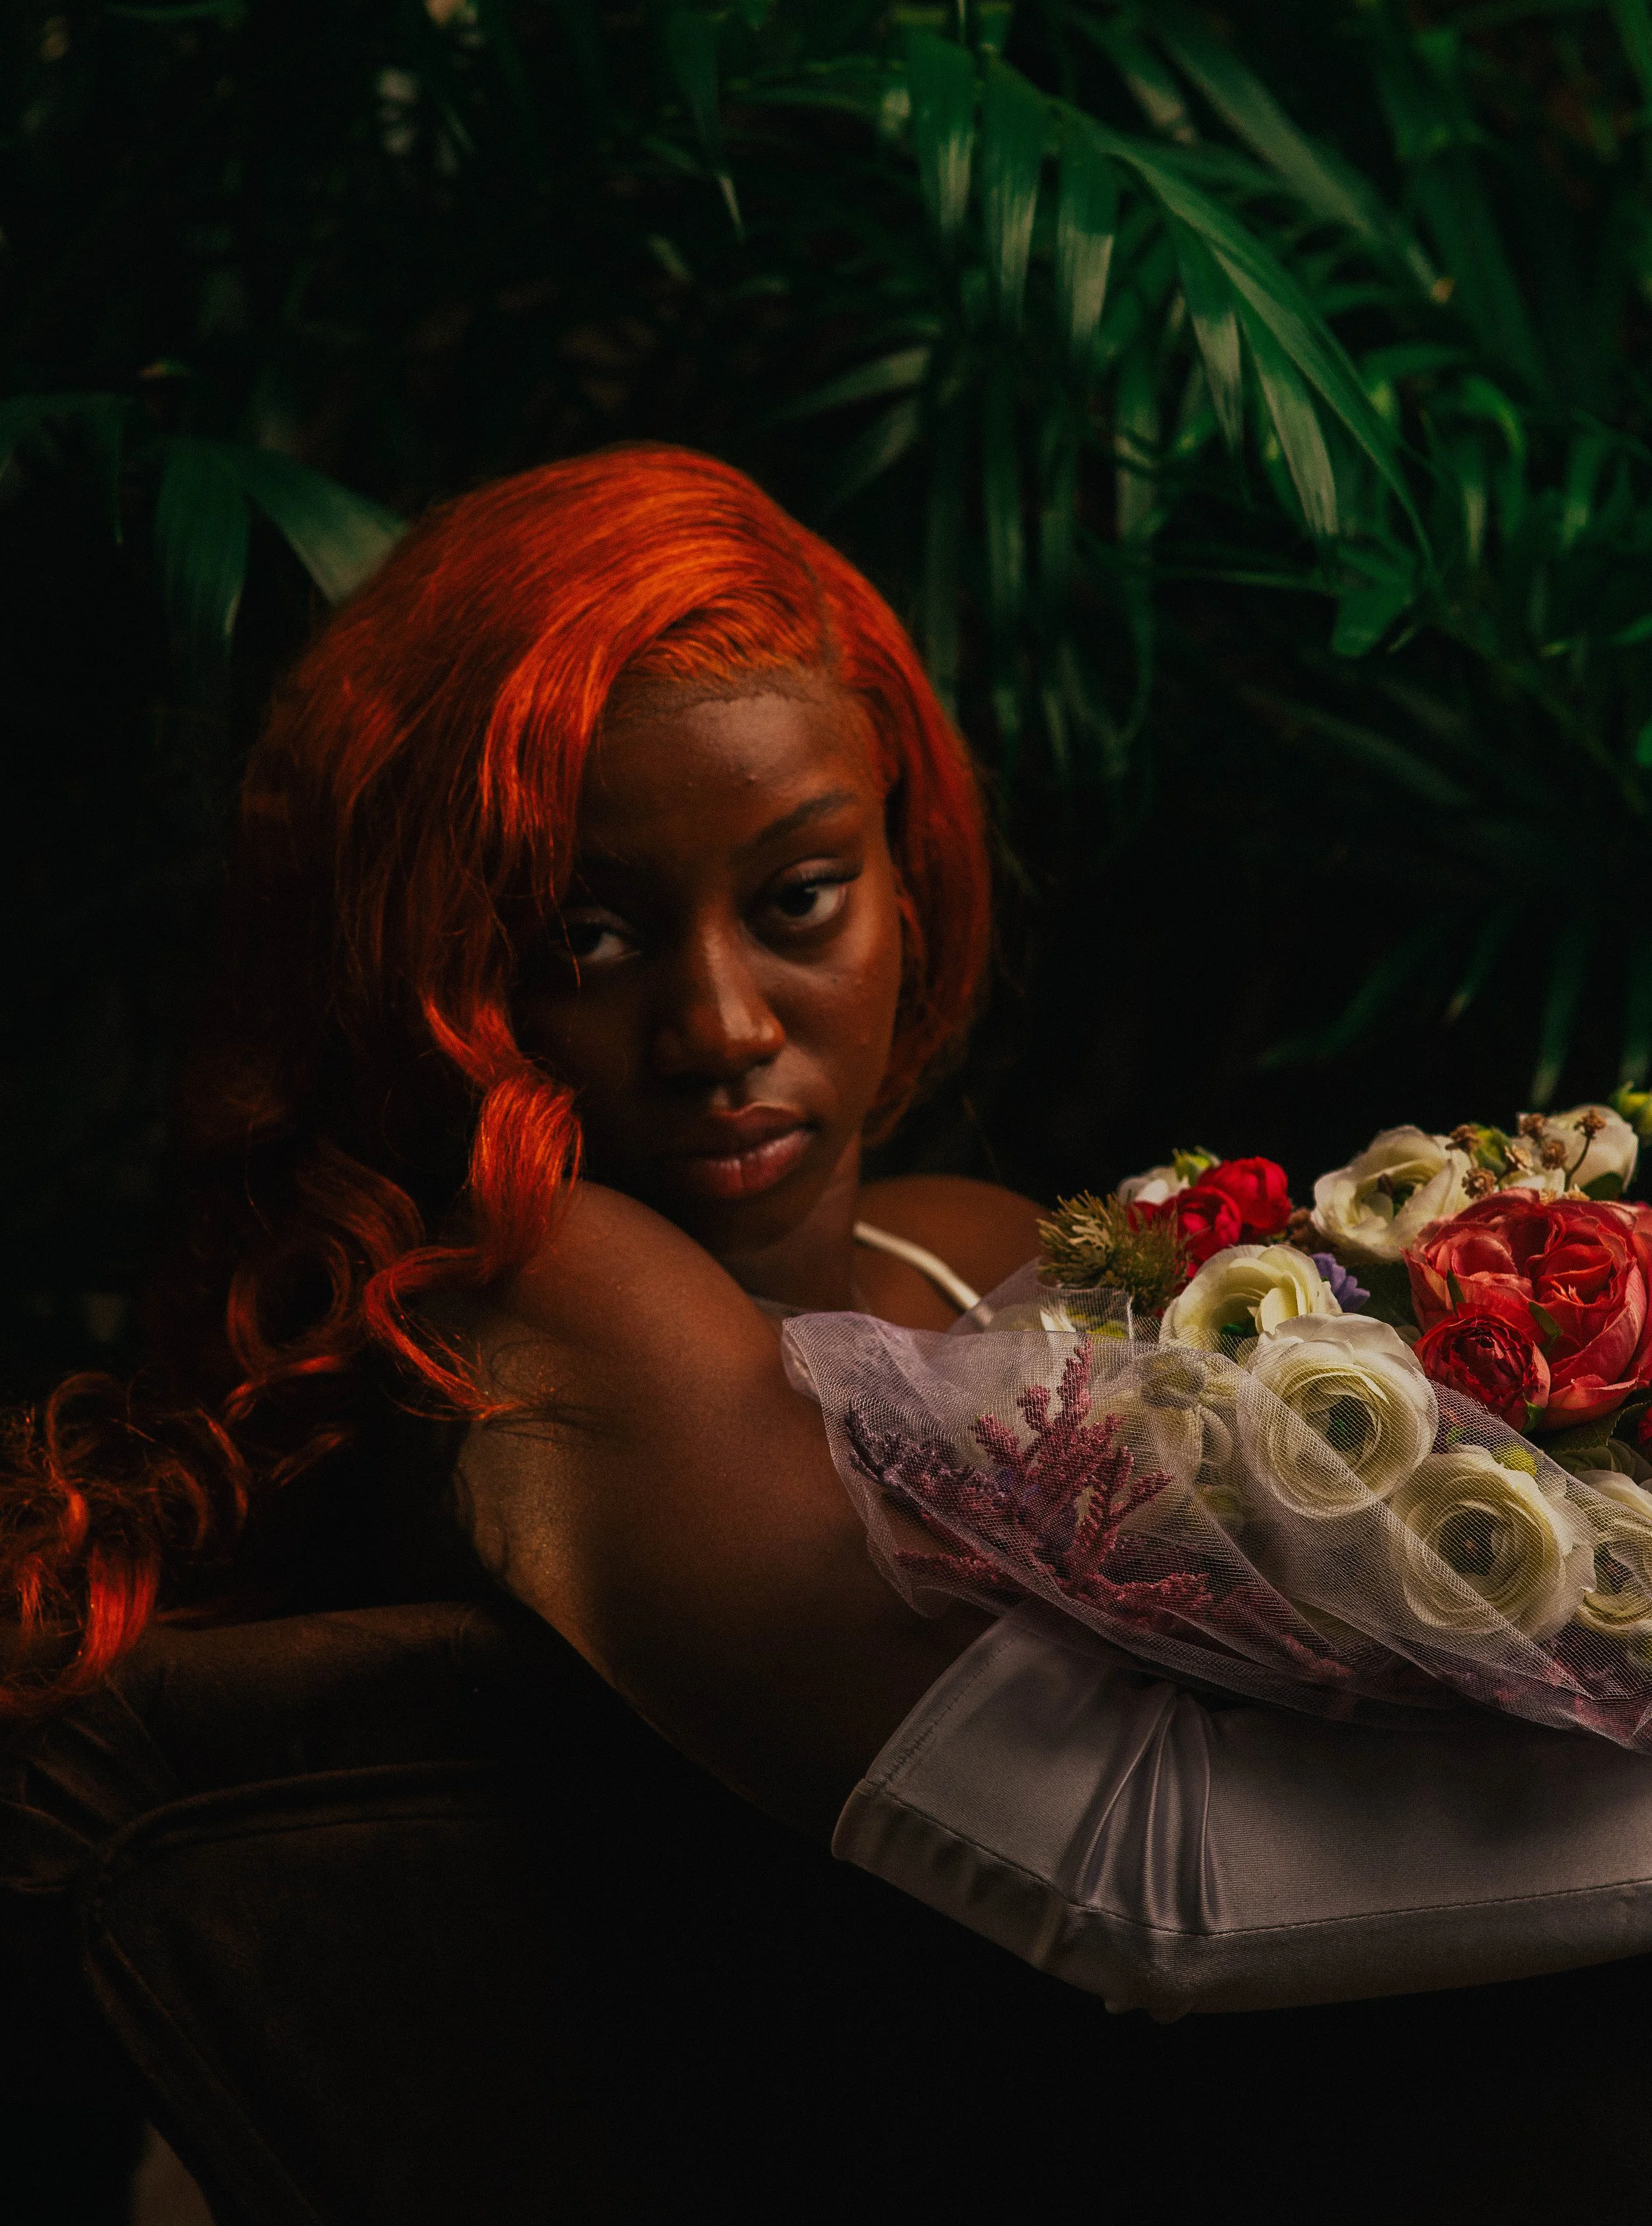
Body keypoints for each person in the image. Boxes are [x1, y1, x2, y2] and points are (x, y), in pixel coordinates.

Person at [12, 442, 1652, 2026]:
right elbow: (1162, 1885)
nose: (718, 1024)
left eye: (797, 895)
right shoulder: (542, 1299)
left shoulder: (969, 1248)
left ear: (905, 878)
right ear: (444, 970)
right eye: (585, 936)